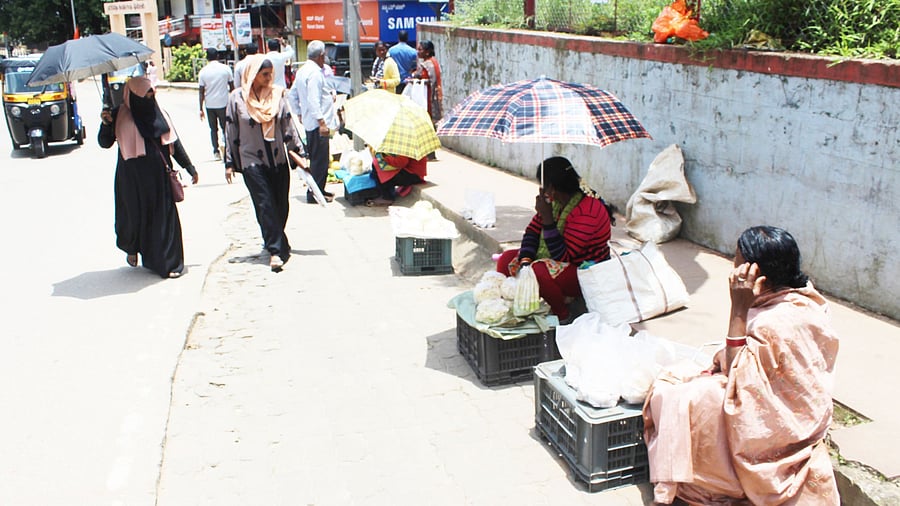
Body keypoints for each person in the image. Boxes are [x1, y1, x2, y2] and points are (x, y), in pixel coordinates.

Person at [643, 226, 840, 505]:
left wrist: (738, 307)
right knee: (682, 378)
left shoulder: (776, 320)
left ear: (753, 272)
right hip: (799, 413)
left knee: (675, 396)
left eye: (736, 259)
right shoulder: (807, 300)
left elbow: (740, 380)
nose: (732, 266)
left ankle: (713, 481)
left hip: (778, 427)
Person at [98, 76, 198, 279]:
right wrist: (106, 124)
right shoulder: (118, 114)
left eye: (152, 93)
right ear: (132, 95)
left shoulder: (159, 113)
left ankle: (170, 263)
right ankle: (133, 248)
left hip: (159, 177)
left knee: (164, 218)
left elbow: (174, 144)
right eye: (145, 95)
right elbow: (104, 142)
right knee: (133, 216)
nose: (150, 98)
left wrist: (190, 167)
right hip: (131, 179)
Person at [495, 157, 614, 322]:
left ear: (551, 188)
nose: (541, 189)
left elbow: (564, 257)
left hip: (586, 272)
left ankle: (563, 316)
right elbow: (532, 232)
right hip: (562, 263)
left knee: (539, 271)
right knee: (507, 259)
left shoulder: (588, 211)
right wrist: (525, 260)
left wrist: (547, 218)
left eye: (543, 185)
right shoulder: (556, 203)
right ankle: (509, 305)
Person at [224, 55, 305, 272]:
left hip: (278, 159)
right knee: (265, 204)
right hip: (251, 160)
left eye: (271, 74)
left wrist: (298, 152)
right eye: (264, 74)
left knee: (280, 205)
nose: (269, 78)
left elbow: (288, 125)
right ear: (252, 75)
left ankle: (277, 239)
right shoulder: (237, 99)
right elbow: (230, 130)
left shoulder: (277, 95)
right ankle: (276, 251)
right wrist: (230, 162)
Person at [289, 40, 339, 204]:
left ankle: (319, 190)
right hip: (318, 124)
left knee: (318, 159)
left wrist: (299, 113)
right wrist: (322, 122)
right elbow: (313, 99)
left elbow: (293, 94)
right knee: (320, 161)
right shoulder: (315, 73)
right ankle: (315, 194)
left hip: (312, 121)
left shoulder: (303, 71)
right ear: (322, 55)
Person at [197, 48, 234, 160]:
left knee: (213, 129)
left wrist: (200, 108)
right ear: (217, 56)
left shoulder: (203, 72)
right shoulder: (226, 69)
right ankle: (227, 149)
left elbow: (201, 91)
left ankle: (216, 151)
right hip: (223, 103)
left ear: (207, 57)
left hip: (210, 105)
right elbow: (232, 87)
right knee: (225, 128)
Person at [412, 40, 442, 126]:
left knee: (428, 116)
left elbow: (430, 80)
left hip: (429, 95)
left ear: (427, 52)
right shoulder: (433, 61)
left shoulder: (429, 64)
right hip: (433, 93)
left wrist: (416, 80)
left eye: (420, 50)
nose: (418, 52)